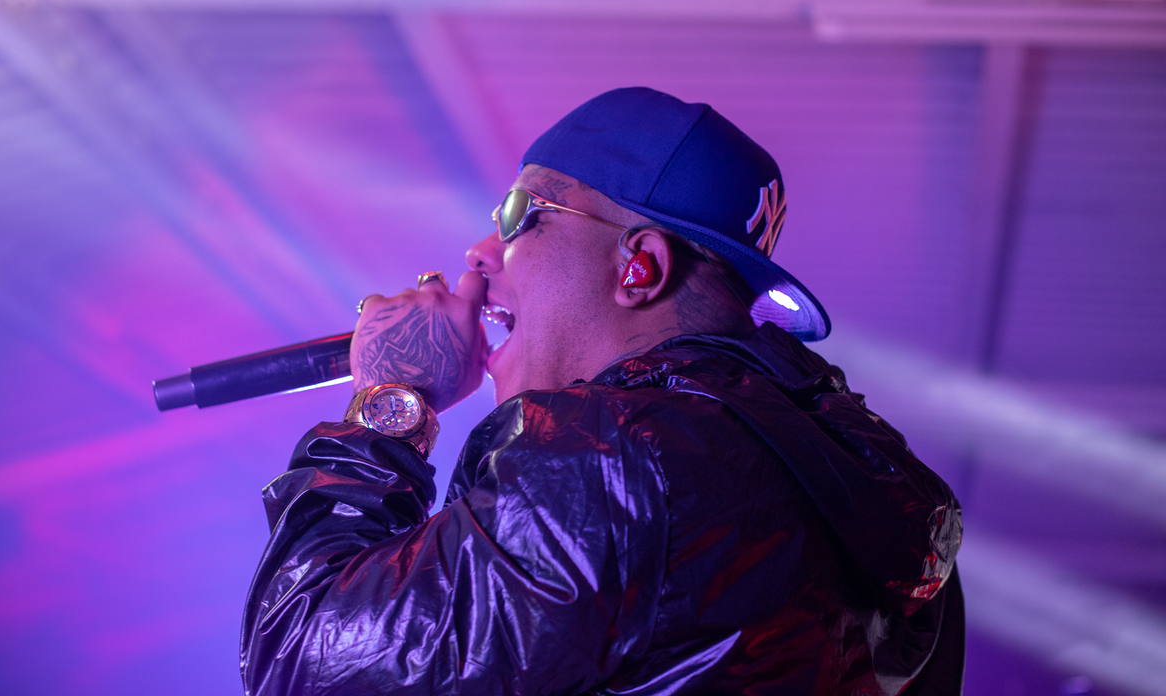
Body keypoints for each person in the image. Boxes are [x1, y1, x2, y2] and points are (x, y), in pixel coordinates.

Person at [240, 87, 965, 695]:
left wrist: (393, 400)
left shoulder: (616, 461)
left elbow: (304, 660)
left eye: (519, 215)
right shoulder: (886, 509)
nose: (481, 253)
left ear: (638, 267)